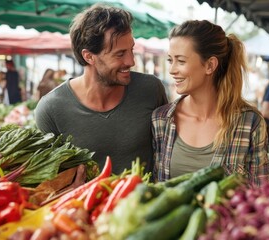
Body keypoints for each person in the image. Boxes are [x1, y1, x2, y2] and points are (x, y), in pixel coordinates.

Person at [34, 4, 168, 174]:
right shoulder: (50, 110)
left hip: (148, 199)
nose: (131, 61)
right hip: (85, 201)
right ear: (89, 56)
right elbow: (50, 177)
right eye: (120, 54)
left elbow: (168, 149)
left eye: (131, 50)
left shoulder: (150, 89)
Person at [152, 20, 269, 186]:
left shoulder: (250, 122)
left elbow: (263, 192)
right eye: (170, 60)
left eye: (180, 61)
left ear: (210, 65)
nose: (172, 70)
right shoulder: (161, 119)